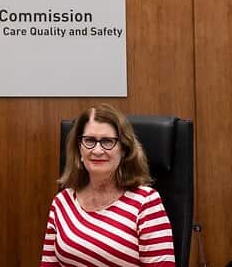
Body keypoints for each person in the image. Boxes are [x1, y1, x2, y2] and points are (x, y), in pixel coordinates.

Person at [40, 104, 176, 267]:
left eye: (107, 141)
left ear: (124, 149)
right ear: (79, 149)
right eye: (89, 140)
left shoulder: (145, 203)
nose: (97, 150)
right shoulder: (62, 202)